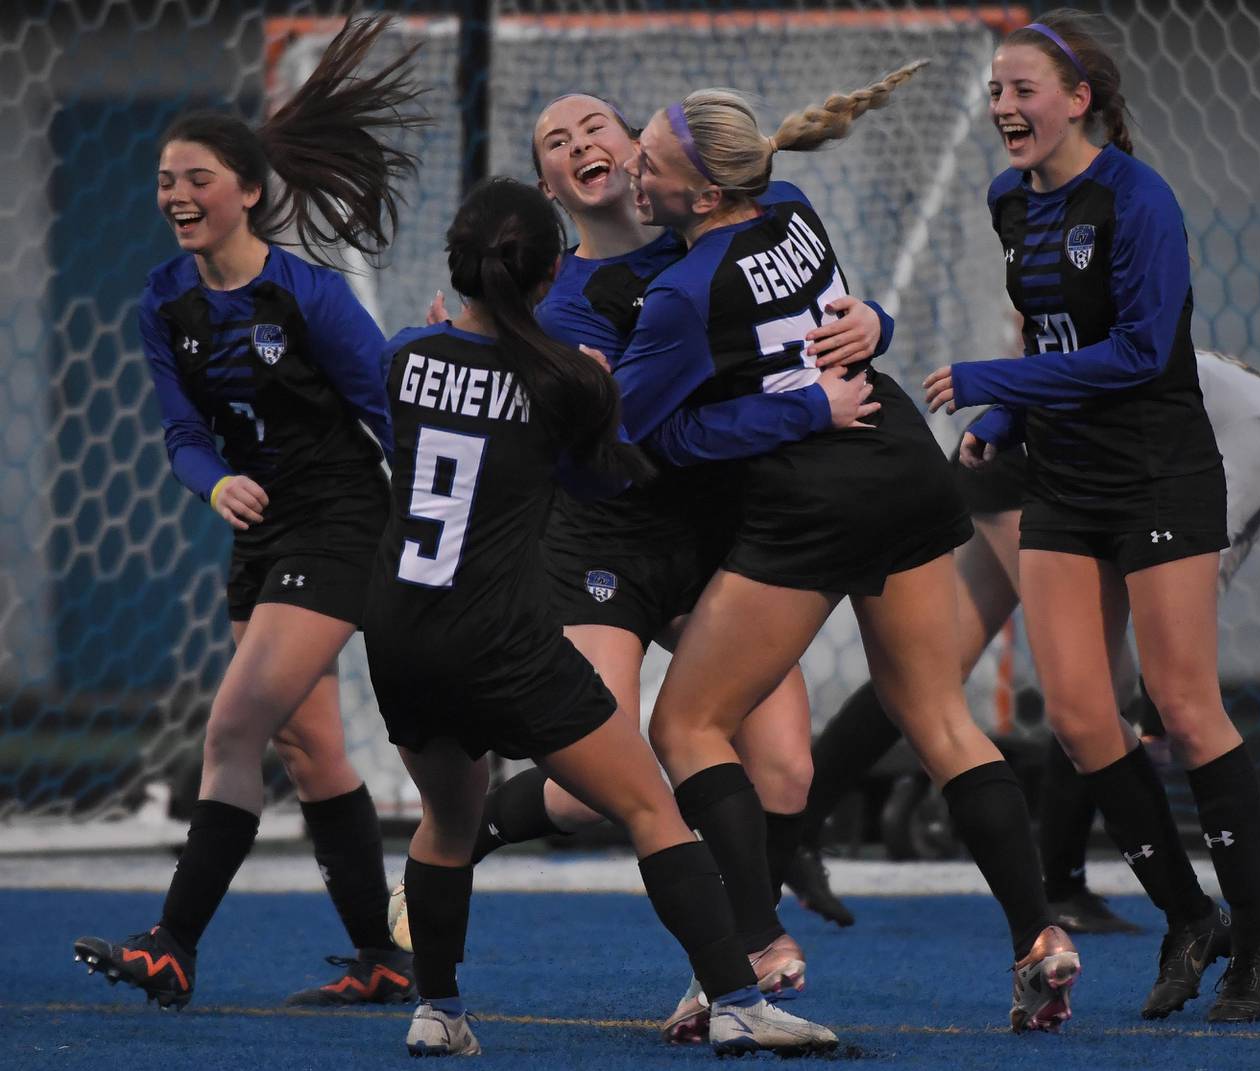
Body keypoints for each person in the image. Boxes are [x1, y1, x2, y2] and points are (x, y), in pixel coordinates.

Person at [398, 94, 884, 1044]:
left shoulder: (707, 232)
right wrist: (470, 336)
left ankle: (728, 973)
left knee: (785, 769)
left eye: (596, 128)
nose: (582, 144)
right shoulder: (561, 303)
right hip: (606, 544)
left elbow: (809, 327)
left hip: (711, 539)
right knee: (592, 786)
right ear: (549, 185)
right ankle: (471, 838)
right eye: (556, 141)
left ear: (638, 152)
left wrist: (875, 320)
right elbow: (610, 430)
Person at [611, 66, 1080, 1035]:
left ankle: (751, 948)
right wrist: (880, 327)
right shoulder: (790, 205)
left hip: (815, 497)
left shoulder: (680, 294)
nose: (629, 175)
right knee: (940, 718)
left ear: (702, 195)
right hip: (903, 460)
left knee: (687, 727)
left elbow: (644, 439)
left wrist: (793, 409)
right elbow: (845, 321)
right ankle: (1039, 939)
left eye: (646, 164)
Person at [923, 11, 1260, 1024]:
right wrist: (1005, 414)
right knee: (1085, 719)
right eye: (997, 92)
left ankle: (1259, 933)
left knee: (1184, 708)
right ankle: (1190, 918)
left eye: (1024, 90)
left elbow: (1143, 353)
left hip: (1156, 474)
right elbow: (1056, 341)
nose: (1005, 107)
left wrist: (984, 379)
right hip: (1063, 476)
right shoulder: (1013, 199)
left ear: (1079, 98)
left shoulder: (1141, 201)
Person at [791, 351, 1260, 932]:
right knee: (1100, 690)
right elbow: (1198, 562)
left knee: (924, 674)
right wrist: (1158, 700)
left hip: (1019, 469)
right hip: (1033, 473)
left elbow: (1203, 560)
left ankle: (793, 829)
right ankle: (1058, 882)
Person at [73, 15, 429, 1010]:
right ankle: (384, 959)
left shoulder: (307, 297)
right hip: (263, 533)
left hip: (341, 521)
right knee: (305, 747)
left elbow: (387, 416)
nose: (176, 195)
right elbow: (183, 434)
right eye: (164, 181)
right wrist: (210, 482)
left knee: (229, 729)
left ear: (248, 192)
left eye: (195, 179)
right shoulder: (161, 306)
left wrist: (445, 523)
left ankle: (173, 941)